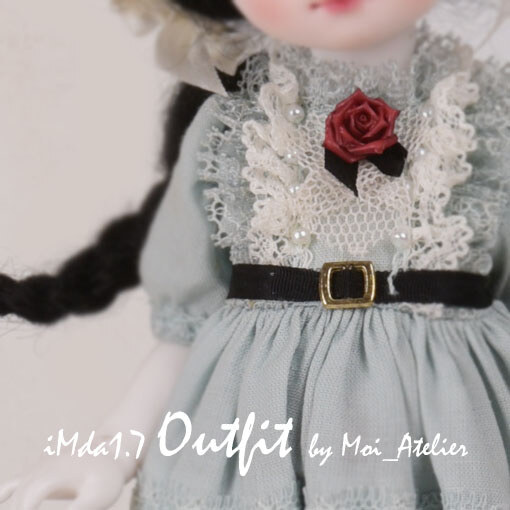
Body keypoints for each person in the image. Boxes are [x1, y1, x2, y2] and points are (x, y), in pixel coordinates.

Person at [1, 0, 509, 508]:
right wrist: (110, 449)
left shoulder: (486, 123)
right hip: (255, 441)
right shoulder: (236, 126)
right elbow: (188, 330)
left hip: (450, 442)